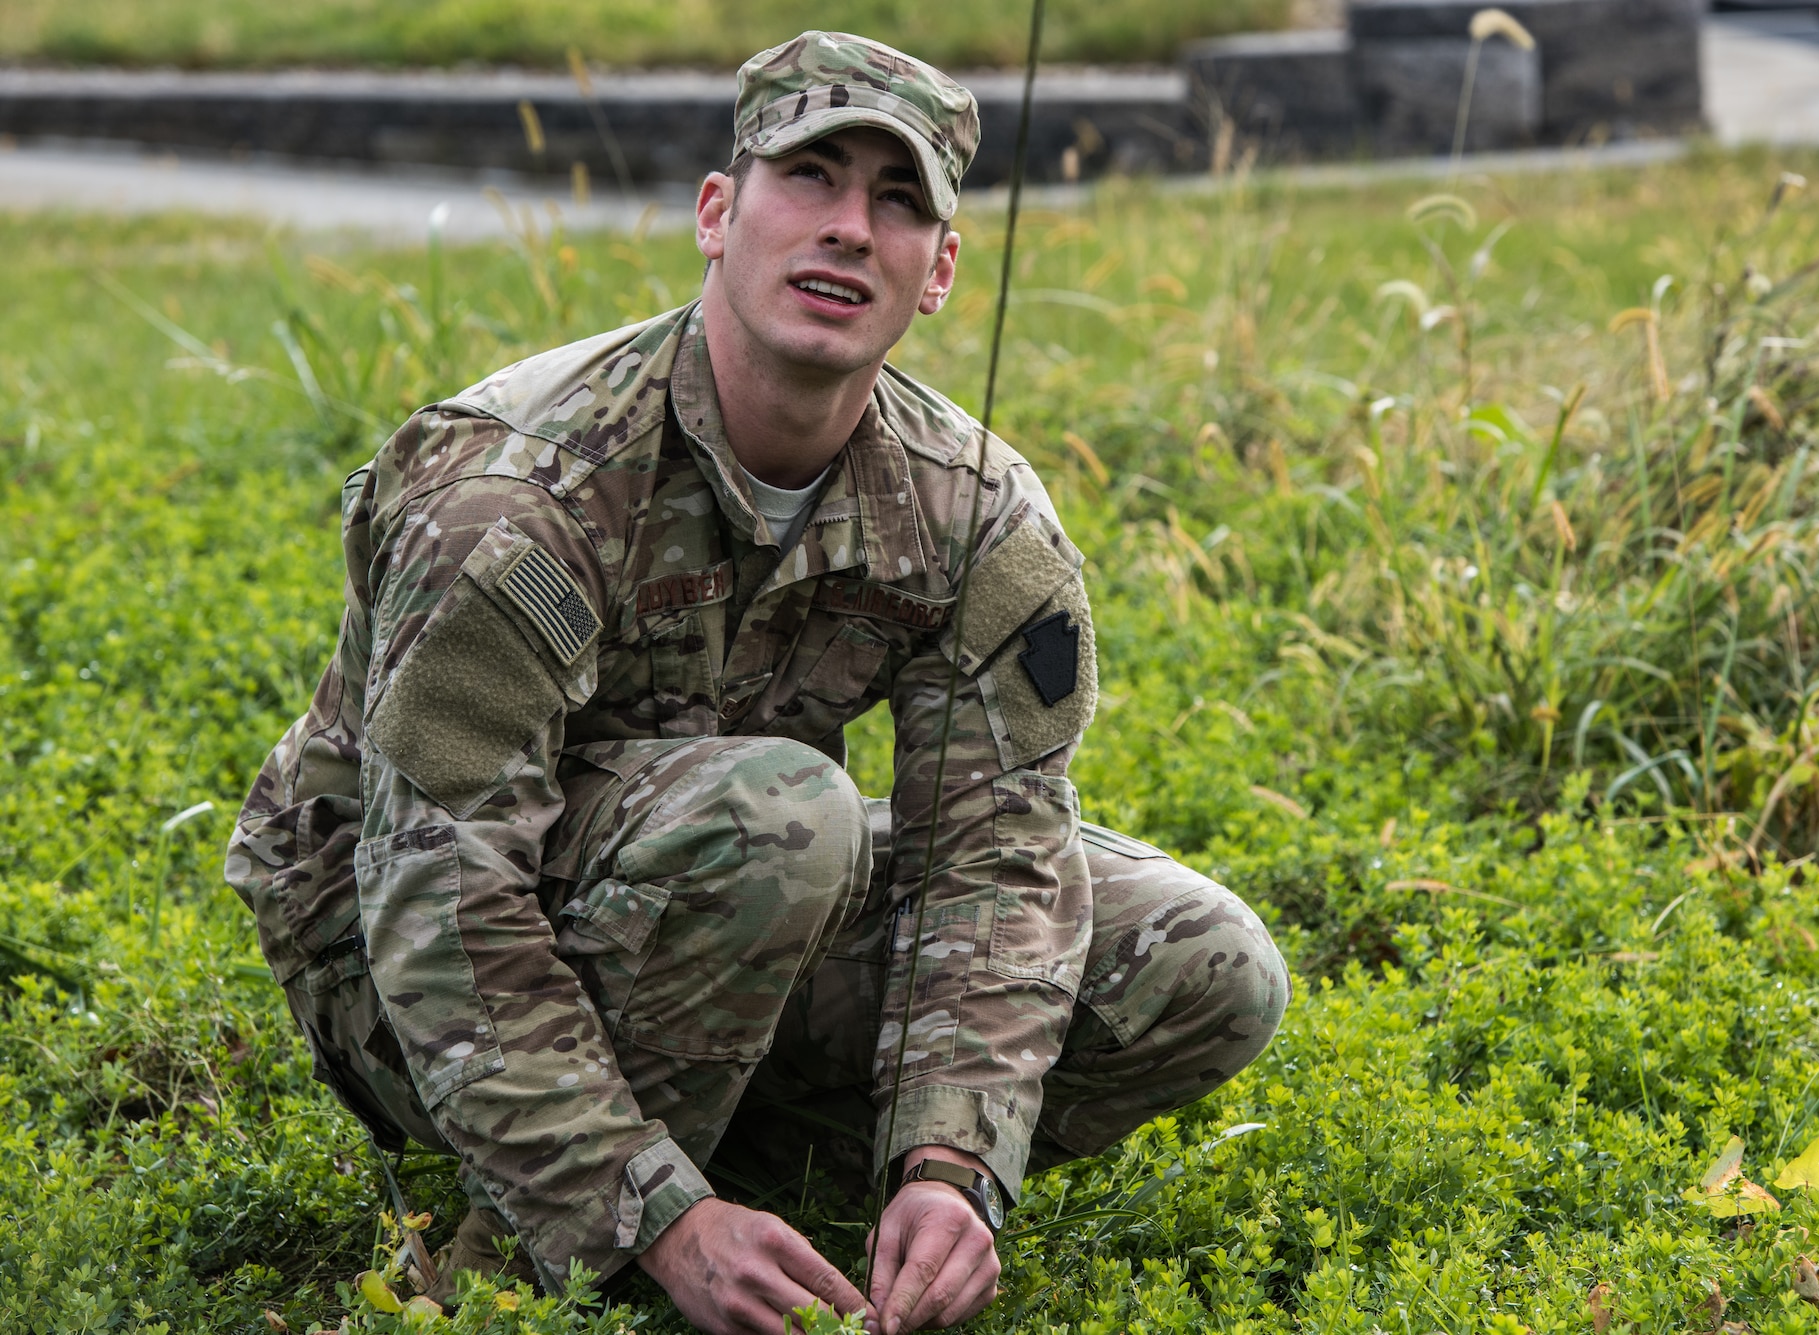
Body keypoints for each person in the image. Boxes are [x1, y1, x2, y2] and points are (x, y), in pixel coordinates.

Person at [225, 30, 1288, 1335]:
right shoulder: (516, 494)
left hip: (730, 896)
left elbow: (994, 854)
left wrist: (952, 1161)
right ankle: (521, 1269)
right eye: (811, 180)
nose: (850, 230)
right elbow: (435, 888)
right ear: (717, 214)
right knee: (788, 818)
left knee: (1204, 963)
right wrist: (652, 1215)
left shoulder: (974, 511)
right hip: (396, 961)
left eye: (898, 203)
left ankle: (787, 1207)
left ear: (939, 271)